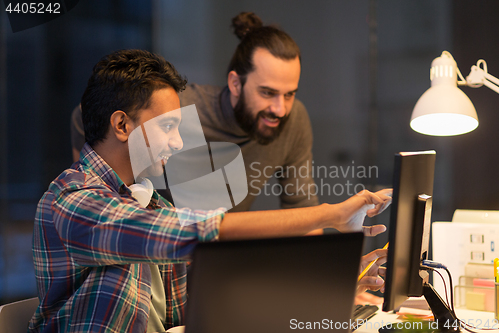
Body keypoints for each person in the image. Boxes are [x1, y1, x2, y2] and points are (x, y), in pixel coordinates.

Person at [32, 49, 391, 333]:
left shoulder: (148, 202)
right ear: (122, 124)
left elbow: (223, 283)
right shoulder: (73, 200)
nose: (176, 142)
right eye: (168, 126)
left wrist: (334, 279)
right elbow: (201, 232)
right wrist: (332, 213)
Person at [72, 12, 317, 212]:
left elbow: (302, 209)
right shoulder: (178, 106)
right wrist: (100, 195)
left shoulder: (293, 118)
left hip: (214, 252)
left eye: (289, 94)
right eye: (267, 93)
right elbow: (88, 113)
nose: (280, 109)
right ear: (235, 84)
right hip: (167, 244)